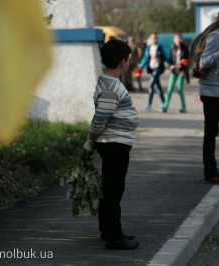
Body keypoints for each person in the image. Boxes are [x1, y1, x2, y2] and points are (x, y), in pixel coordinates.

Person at [83, 39, 140, 250]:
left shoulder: (107, 82)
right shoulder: (110, 87)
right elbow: (99, 119)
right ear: (123, 62)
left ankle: (108, 230)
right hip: (114, 145)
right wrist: (89, 143)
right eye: (128, 58)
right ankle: (114, 238)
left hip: (113, 143)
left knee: (110, 189)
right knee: (114, 191)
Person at [190, 8, 219, 184]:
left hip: (216, 90)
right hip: (211, 91)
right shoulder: (217, 36)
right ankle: (210, 172)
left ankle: (214, 170)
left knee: (212, 132)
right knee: (210, 133)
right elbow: (204, 61)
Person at [138, 33, 170, 111]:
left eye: (156, 38)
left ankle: (149, 104)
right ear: (150, 39)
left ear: (157, 39)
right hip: (151, 68)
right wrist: (139, 67)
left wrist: (171, 63)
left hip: (158, 68)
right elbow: (145, 59)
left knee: (150, 85)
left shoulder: (160, 47)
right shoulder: (148, 48)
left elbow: (166, 56)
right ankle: (163, 102)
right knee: (157, 86)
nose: (154, 39)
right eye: (153, 38)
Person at [160, 33, 189, 113]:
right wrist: (170, 65)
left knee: (179, 89)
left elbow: (188, 61)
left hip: (181, 72)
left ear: (182, 39)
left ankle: (183, 107)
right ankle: (165, 106)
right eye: (176, 38)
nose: (178, 40)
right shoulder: (172, 47)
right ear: (174, 40)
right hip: (173, 71)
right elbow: (169, 60)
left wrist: (184, 71)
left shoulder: (185, 48)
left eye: (179, 38)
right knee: (169, 89)